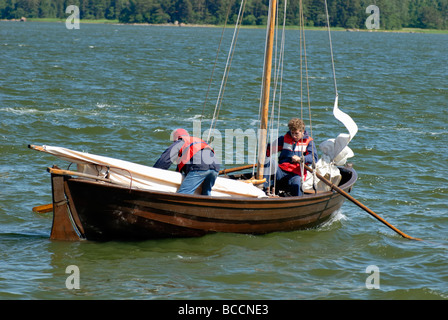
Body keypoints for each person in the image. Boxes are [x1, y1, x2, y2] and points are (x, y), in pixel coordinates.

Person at [153, 128, 220, 195]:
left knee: (183, 194)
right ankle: (207, 204)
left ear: (177, 138)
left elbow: (165, 160)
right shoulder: (197, 141)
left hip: (200, 167)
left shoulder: (181, 141)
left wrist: (154, 173)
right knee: (205, 194)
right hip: (215, 168)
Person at [266, 118, 318, 196]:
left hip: (296, 175)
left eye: (296, 133)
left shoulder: (309, 142)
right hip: (281, 172)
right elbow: (269, 150)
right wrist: (264, 147)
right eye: (292, 133)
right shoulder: (283, 139)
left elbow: (314, 158)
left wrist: (301, 159)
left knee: (297, 184)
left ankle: (297, 202)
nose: (294, 136)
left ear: (302, 131)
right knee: (270, 162)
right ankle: (264, 188)